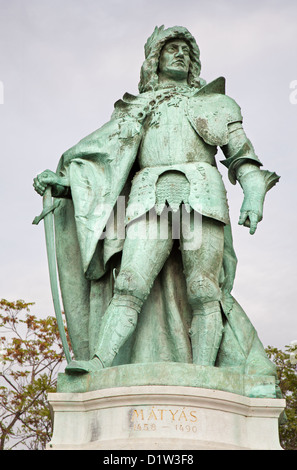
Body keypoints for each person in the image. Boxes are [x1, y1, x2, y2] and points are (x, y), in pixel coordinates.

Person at [33, 26, 279, 376]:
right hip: (147, 197)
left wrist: (254, 198)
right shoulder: (134, 109)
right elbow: (104, 166)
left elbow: (244, 158)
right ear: (155, 59)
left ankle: (203, 372)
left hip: (202, 197)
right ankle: (99, 363)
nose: (180, 54)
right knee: (130, 282)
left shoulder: (217, 105)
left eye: (186, 50)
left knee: (202, 289)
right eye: (171, 49)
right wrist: (63, 183)